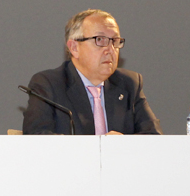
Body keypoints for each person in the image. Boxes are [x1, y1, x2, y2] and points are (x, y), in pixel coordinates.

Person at [22, 9, 162, 135]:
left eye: (115, 41)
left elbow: (154, 138)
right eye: (100, 40)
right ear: (74, 48)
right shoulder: (48, 84)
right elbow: (37, 137)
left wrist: (123, 145)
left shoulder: (129, 84)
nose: (110, 49)